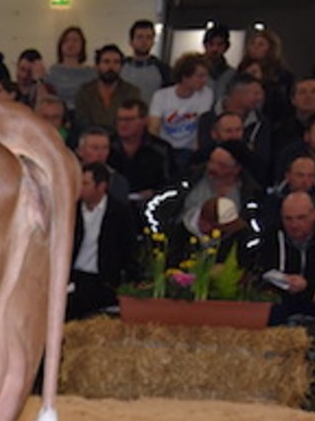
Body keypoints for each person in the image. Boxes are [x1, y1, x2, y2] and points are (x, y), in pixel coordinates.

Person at [69, 161, 140, 319]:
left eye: (85, 183)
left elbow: (128, 248)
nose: (79, 187)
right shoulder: (71, 210)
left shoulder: (120, 212)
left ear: (101, 187)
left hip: (104, 280)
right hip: (75, 277)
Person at [255, 192, 315, 324]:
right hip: (282, 301)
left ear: (314, 215)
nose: (294, 225)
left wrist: (307, 286)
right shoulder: (271, 236)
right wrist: (285, 280)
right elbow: (263, 269)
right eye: (288, 219)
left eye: (301, 218)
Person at [148, 53, 213, 174]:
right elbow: (154, 128)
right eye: (200, 76)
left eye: (206, 76)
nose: (204, 80)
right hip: (166, 148)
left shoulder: (206, 94)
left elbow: (201, 127)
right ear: (185, 77)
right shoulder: (161, 96)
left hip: (189, 150)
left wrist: (198, 157)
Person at [109, 99, 171, 206]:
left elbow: (170, 182)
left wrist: (154, 192)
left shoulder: (161, 148)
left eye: (129, 120)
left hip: (150, 204)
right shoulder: (108, 145)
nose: (123, 124)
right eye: (119, 119)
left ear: (144, 121)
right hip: (114, 205)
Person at [73, 44, 141, 133]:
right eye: (106, 62)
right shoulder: (84, 91)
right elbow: (82, 124)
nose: (111, 67)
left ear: (121, 66)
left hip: (122, 139)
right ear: (97, 65)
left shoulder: (132, 92)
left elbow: (131, 124)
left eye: (116, 62)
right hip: (91, 138)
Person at [120, 20, 170, 105]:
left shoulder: (162, 69)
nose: (144, 41)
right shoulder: (120, 66)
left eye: (149, 37)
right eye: (140, 37)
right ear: (131, 42)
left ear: (153, 42)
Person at [45, 25, 92, 109]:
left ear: (82, 45)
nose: (70, 44)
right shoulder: (53, 70)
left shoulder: (90, 72)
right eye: (66, 40)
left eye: (75, 40)